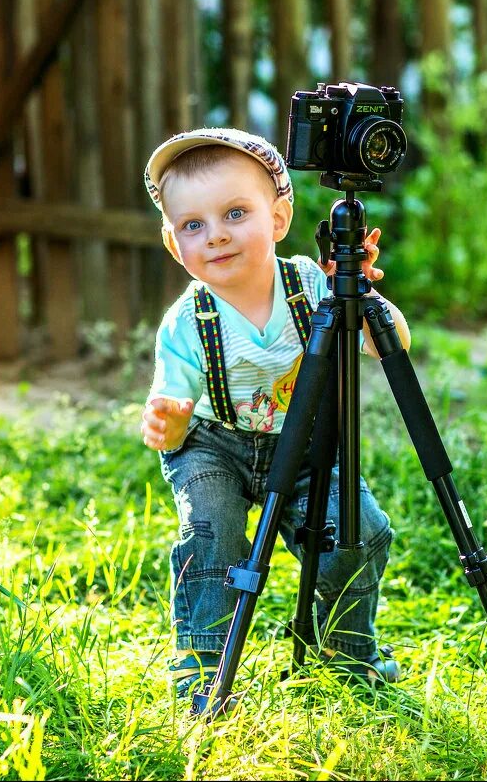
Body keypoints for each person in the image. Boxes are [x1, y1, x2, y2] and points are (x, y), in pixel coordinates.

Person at [139, 127, 412, 698]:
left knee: (359, 531)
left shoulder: (313, 286)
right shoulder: (185, 321)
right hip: (215, 444)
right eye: (193, 225)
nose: (215, 236)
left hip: (307, 446)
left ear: (279, 220)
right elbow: (174, 418)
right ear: (173, 245)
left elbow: (394, 343)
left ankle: (347, 651)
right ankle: (204, 670)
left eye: (235, 213)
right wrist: (167, 421)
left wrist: (359, 294)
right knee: (212, 534)